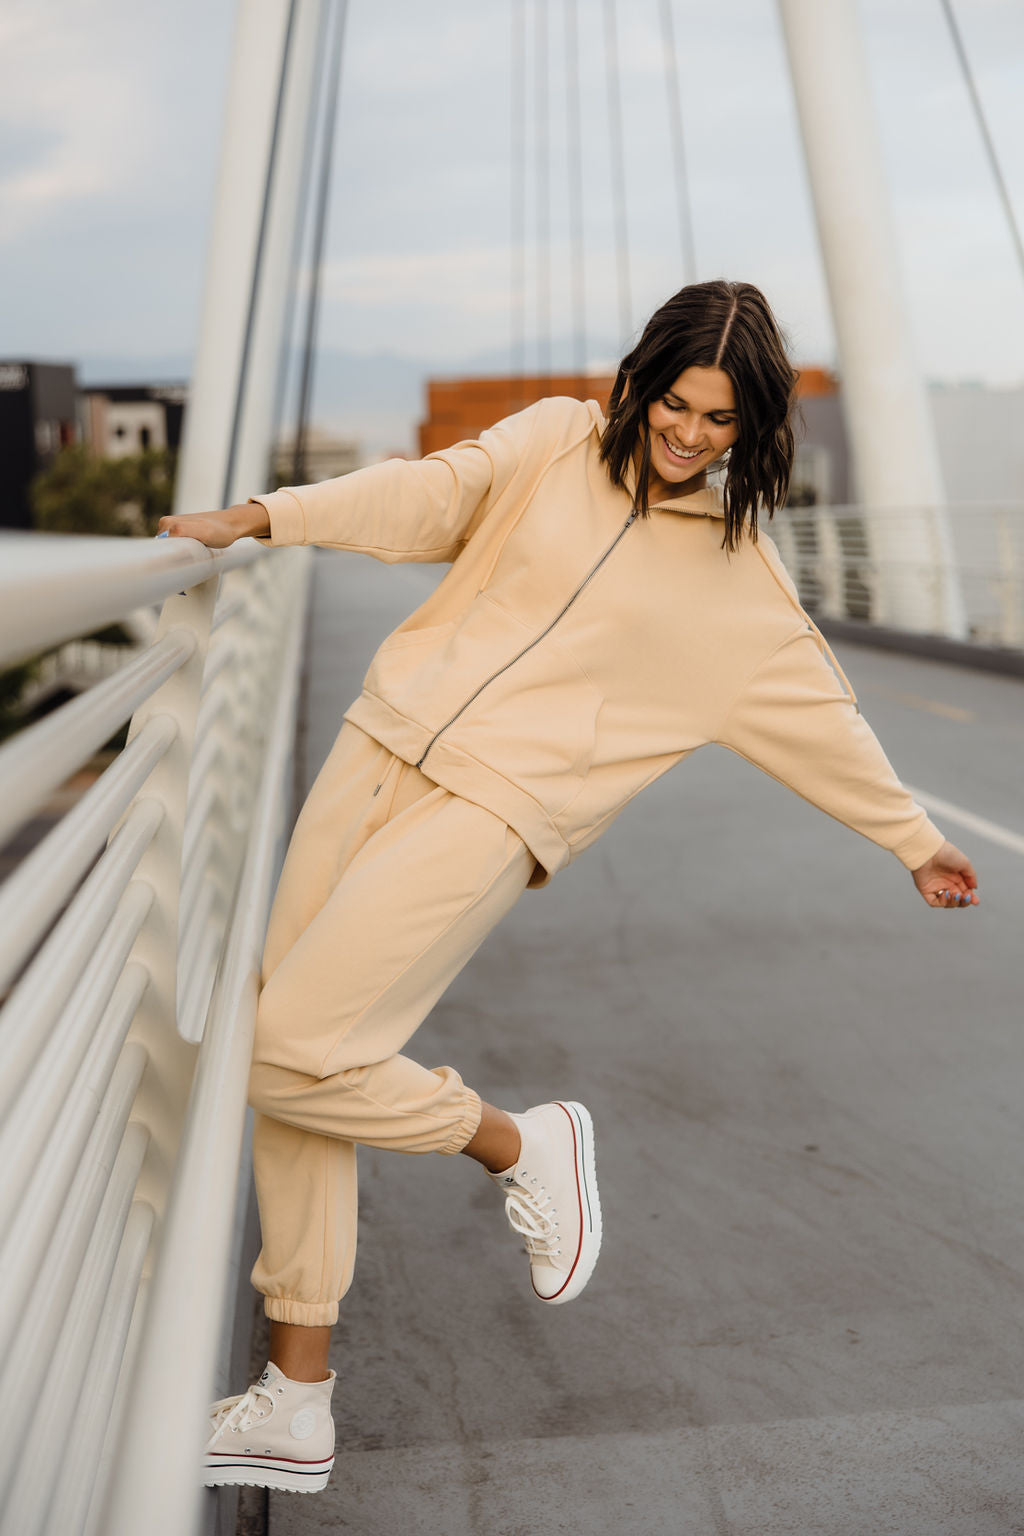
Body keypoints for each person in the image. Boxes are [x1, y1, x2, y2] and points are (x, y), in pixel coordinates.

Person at [157, 280, 979, 1495]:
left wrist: (912, 840)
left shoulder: (737, 581)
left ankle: (518, 1142)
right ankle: (296, 1398)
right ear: (639, 380)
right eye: (677, 403)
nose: (690, 434)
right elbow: (426, 493)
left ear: (753, 429)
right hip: (375, 743)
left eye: (721, 420)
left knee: (288, 1048)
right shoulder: (551, 440)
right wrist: (264, 518)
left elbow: (821, 717)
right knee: (305, 1066)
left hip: (495, 811)